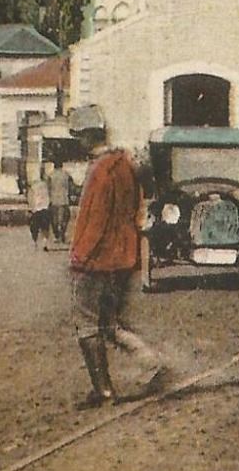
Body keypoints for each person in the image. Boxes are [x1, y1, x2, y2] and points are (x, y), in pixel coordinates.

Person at [67, 105, 170, 409]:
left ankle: (104, 391)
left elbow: (95, 219)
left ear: (87, 137)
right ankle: (150, 361)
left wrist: (80, 257)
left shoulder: (100, 170)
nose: (78, 143)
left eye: (78, 137)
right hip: (124, 255)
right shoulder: (124, 163)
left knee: (87, 326)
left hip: (98, 259)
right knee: (110, 323)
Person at [26, 168, 52, 247]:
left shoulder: (34, 186)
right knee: (45, 227)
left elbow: (30, 198)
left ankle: (35, 242)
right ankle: (45, 243)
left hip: (36, 209)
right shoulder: (46, 185)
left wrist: (31, 207)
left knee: (34, 227)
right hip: (45, 208)